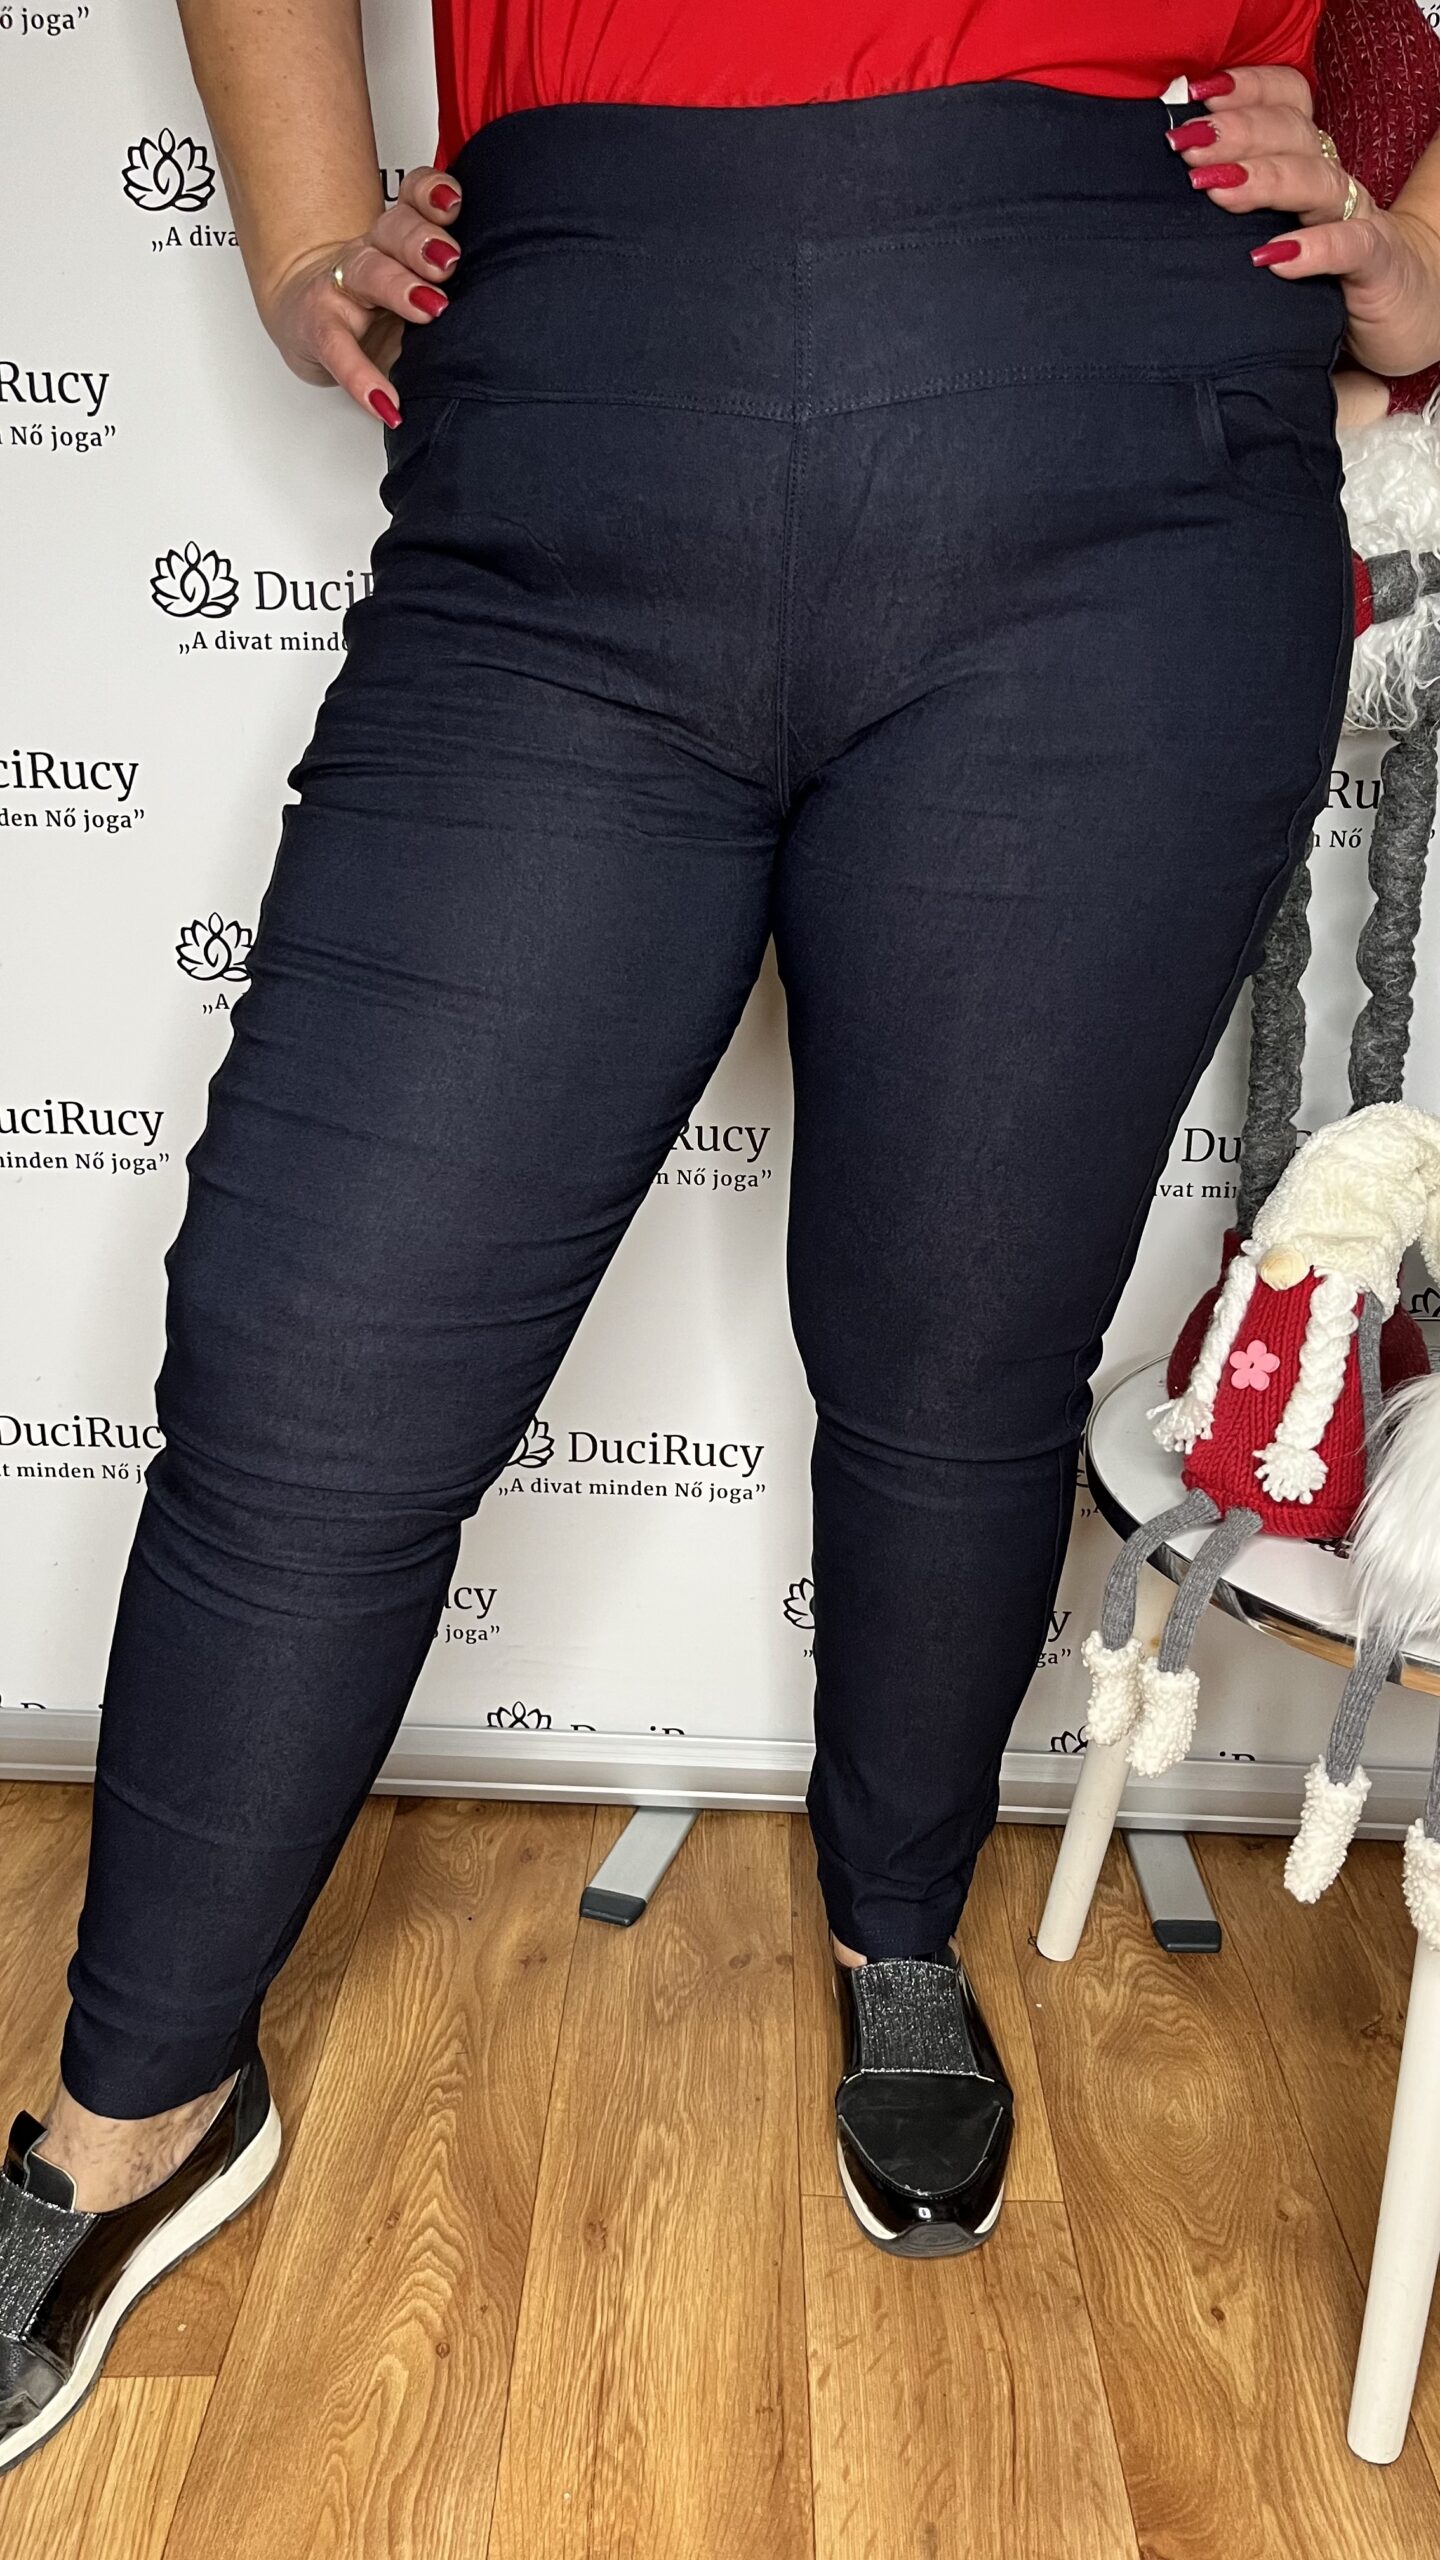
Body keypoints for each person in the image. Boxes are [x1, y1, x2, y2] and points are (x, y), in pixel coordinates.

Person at [5, 0, 1440, 2473]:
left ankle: (901, 1927)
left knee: (956, 1337)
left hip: (1115, 433)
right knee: (315, 1340)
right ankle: (135, 2099)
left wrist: (1418, 254)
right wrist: (301, 221)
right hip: (575, 393)